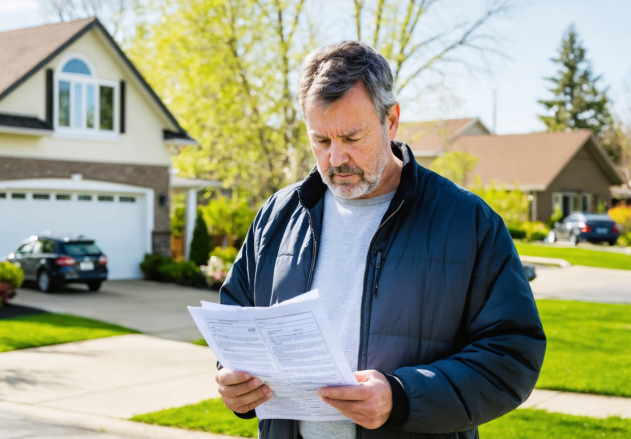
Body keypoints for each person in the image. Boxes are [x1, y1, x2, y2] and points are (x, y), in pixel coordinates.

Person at [215, 41, 546, 439]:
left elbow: (512, 354)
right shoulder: (278, 215)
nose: (335, 159)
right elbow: (235, 323)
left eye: (352, 138)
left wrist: (402, 396)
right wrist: (230, 379)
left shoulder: (468, 222)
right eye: (321, 140)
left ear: (391, 121)